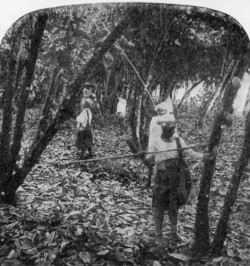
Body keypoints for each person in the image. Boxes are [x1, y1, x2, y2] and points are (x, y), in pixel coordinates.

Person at [145, 113, 213, 247]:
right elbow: (149, 159)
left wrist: (204, 156)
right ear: (163, 130)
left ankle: (174, 233)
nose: (170, 132)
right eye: (168, 130)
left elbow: (190, 152)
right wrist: (147, 156)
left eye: (172, 129)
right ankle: (159, 235)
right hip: (162, 179)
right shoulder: (156, 141)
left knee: (174, 207)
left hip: (176, 179)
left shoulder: (178, 141)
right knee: (159, 208)